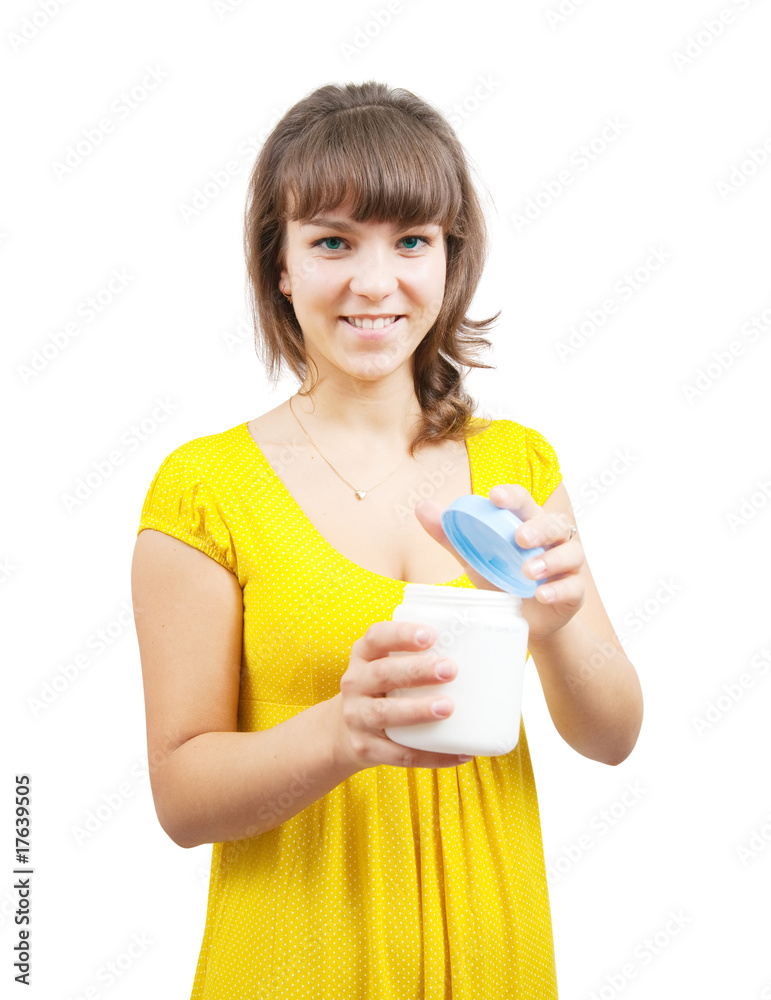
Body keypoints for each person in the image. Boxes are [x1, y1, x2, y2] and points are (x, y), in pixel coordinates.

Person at [131, 80, 643, 1000]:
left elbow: (613, 736)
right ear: (280, 265)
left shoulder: (515, 466)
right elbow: (180, 798)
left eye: (411, 241)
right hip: (294, 969)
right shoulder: (206, 489)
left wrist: (557, 622)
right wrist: (343, 732)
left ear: (451, 258)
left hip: (496, 964)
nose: (376, 282)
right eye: (332, 242)